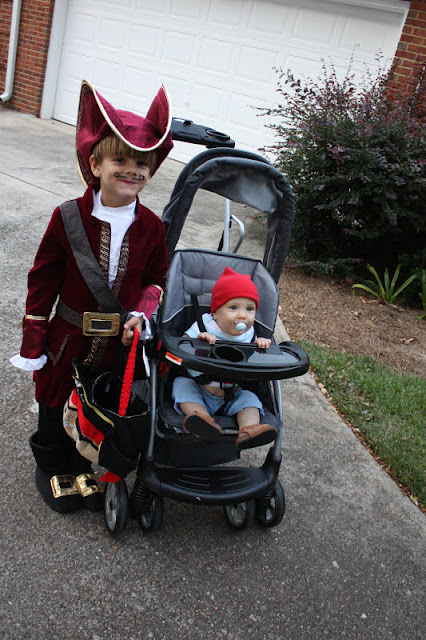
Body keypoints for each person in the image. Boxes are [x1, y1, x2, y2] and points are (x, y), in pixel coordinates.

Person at [10, 79, 173, 513]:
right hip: (67, 336)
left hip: (118, 342)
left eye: (142, 163)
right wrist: (34, 340)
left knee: (99, 402)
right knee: (55, 399)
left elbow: (156, 278)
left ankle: (86, 464)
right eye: (120, 160)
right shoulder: (67, 216)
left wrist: (142, 313)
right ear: (95, 163)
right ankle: (51, 465)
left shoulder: (152, 227)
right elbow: (42, 279)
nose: (132, 170)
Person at [172, 267, 277, 449]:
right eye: (233, 308)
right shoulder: (204, 326)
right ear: (215, 313)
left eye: (249, 309)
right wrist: (198, 341)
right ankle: (202, 421)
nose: (242, 315)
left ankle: (249, 430)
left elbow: (257, 359)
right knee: (181, 385)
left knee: (250, 399)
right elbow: (181, 346)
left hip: (232, 394)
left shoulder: (250, 335)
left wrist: (260, 345)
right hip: (200, 388)